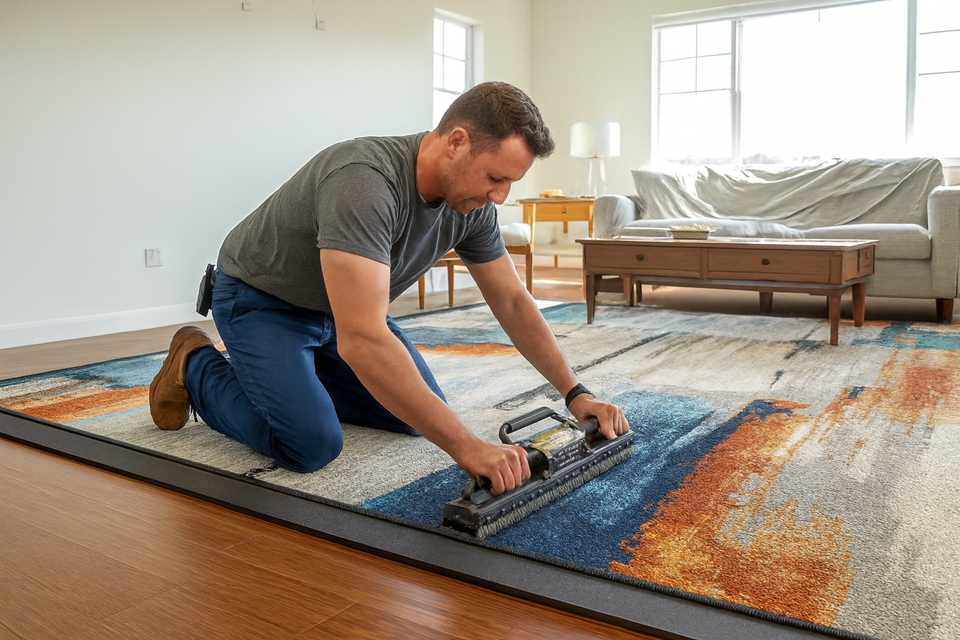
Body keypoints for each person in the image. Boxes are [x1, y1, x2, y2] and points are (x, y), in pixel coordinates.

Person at [149, 81, 629, 495]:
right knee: (311, 444)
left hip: (337, 313)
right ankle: (195, 363)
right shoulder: (365, 182)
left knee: (412, 415)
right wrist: (467, 448)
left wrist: (575, 392)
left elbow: (510, 300)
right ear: (456, 142)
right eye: (495, 177)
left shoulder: (473, 207)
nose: (500, 196)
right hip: (262, 301)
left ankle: (296, 378)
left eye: (510, 182)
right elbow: (362, 339)